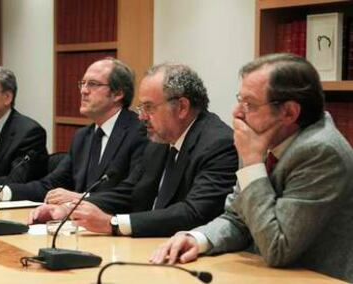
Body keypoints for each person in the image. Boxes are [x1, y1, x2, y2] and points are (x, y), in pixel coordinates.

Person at [149, 54, 353, 283]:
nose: (236, 112)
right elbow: (238, 218)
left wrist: (253, 163)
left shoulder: (321, 152)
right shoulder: (266, 137)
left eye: (250, 104)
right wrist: (198, 238)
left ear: (289, 113)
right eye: (240, 100)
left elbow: (278, 247)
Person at [29, 63, 238, 238]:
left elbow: (194, 212)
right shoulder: (160, 140)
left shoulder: (218, 144)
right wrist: (70, 208)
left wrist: (113, 223)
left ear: (182, 107)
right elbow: (130, 192)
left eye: (149, 107)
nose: (141, 117)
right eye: (141, 108)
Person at [0, 58, 147, 204]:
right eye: (82, 84)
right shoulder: (83, 137)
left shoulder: (139, 132)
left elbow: (134, 192)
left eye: (93, 84)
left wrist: (81, 198)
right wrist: (0, 193)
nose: (83, 90)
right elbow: (49, 184)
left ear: (118, 93)